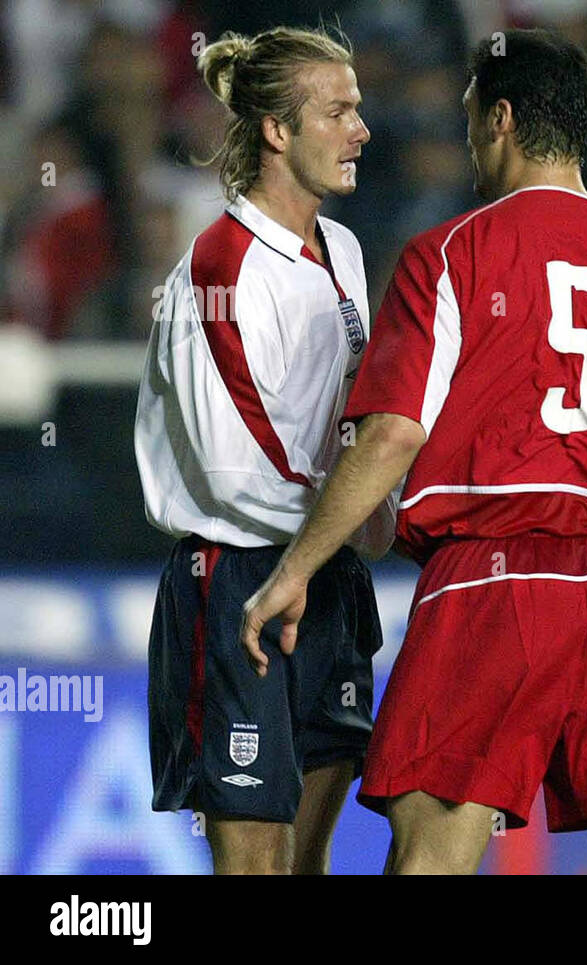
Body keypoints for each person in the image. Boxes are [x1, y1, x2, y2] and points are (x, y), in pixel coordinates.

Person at [240, 28, 587, 875]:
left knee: (432, 858)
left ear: (501, 119)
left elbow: (392, 432)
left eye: (469, 122)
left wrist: (297, 566)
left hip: (491, 580)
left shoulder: (449, 253)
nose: (466, 145)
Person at [135, 26, 392, 874]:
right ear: (278, 130)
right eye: (337, 112)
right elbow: (235, 466)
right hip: (239, 578)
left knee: (309, 862)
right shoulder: (221, 266)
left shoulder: (344, 250)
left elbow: (356, 418)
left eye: (358, 109)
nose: (361, 130)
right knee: (255, 866)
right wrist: (354, 510)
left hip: (329, 572)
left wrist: (374, 515)